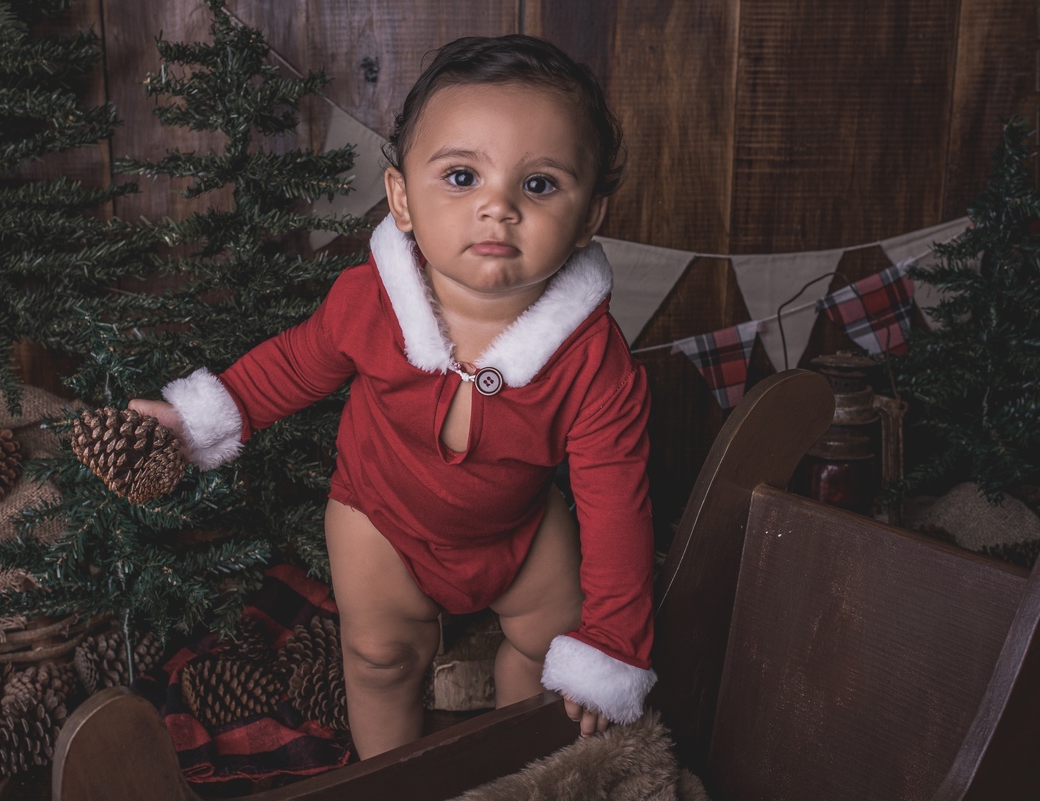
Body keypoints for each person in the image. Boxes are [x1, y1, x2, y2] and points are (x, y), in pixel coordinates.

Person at [130, 33, 655, 760]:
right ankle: (388, 777)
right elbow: (292, 366)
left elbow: (617, 501)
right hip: (380, 514)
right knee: (380, 658)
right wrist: (194, 418)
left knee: (552, 652)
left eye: (539, 185)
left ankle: (521, 766)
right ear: (402, 199)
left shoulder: (595, 360)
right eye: (463, 176)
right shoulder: (372, 302)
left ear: (590, 216)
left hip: (519, 525)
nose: (498, 207)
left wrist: (614, 640)